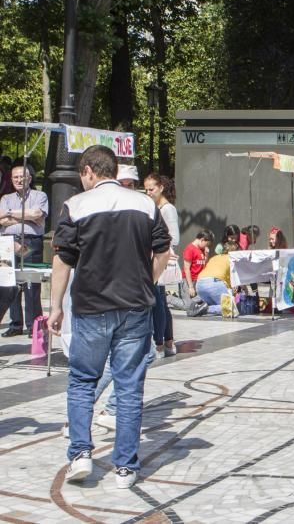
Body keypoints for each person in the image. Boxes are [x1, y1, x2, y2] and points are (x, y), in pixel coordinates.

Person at [47, 145, 172, 488]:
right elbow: (163, 249)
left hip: (91, 307)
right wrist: (148, 281)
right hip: (134, 306)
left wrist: (55, 306)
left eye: (81, 175)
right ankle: (125, 468)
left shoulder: (77, 206)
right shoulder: (145, 204)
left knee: (83, 382)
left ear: (88, 171)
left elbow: (63, 259)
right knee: (130, 386)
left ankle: (81, 454)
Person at [0, 164, 48, 337]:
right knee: (10, 283)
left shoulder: (40, 195)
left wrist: (10, 214)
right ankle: (15, 324)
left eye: (22, 177)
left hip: (31, 242)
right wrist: (27, 218)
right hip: (8, 243)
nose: (19, 180)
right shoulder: (5, 197)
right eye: (15, 177)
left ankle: (33, 325)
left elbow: (37, 214)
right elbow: (1, 218)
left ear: (29, 178)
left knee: (31, 283)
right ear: (11, 179)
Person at [144, 173, 180, 358]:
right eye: (146, 189)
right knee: (161, 302)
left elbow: (174, 237)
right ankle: (167, 341)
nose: (148, 192)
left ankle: (160, 342)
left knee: (158, 301)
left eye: (152, 189)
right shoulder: (156, 208)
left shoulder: (167, 209)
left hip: (161, 258)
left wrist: (156, 245)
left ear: (161, 188)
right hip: (157, 257)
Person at [195, 243, 235, 315]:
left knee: (215, 305)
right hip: (214, 283)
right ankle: (205, 309)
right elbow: (230, 280)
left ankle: (198, 306)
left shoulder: (214, 257)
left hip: (199, 284)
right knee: (231, 308)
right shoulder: (231, 259)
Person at [182, 231, 212, 301]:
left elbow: (203, 264)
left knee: (199, 302)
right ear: (202, 240)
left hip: (198, 280)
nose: (207, 246)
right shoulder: (190, 249)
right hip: (189, 280)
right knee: (188, 305)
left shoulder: (202, 249)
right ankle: (169, 298)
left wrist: (206, 255)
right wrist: (190, 287)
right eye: (206, 244)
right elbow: (187, 269)